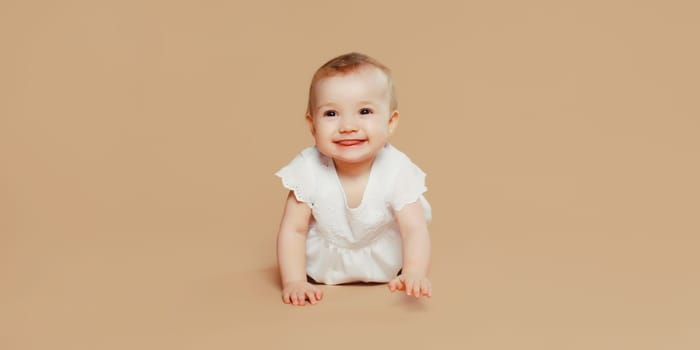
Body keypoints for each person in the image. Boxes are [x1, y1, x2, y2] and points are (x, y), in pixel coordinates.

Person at [275, 52, 432, 306]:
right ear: (312, 124)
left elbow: (414, 229)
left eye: (365, 111)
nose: (348, 125)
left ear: (390, 122)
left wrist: (414, 272)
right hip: (322, 267)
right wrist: (293, 280)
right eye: (331, 114)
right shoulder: (307, 169)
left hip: (386, 264)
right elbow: (294, 229)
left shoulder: (397, 168)